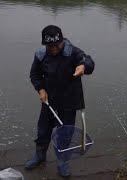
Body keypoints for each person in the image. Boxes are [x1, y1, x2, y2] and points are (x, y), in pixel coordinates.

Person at [25, 25, 95, 177]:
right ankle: (40, 156)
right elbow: (34, 74)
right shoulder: (41, 55)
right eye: (50, 46)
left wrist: (83, 66)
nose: (54, 48)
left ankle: (63, 162)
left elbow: (88, 62)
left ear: (62, 41)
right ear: (45, 44)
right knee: (43, 129)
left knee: (65, 134)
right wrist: (40, 89)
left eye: (57, 45)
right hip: (49, 101)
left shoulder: (74, 52)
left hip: (69, 102)